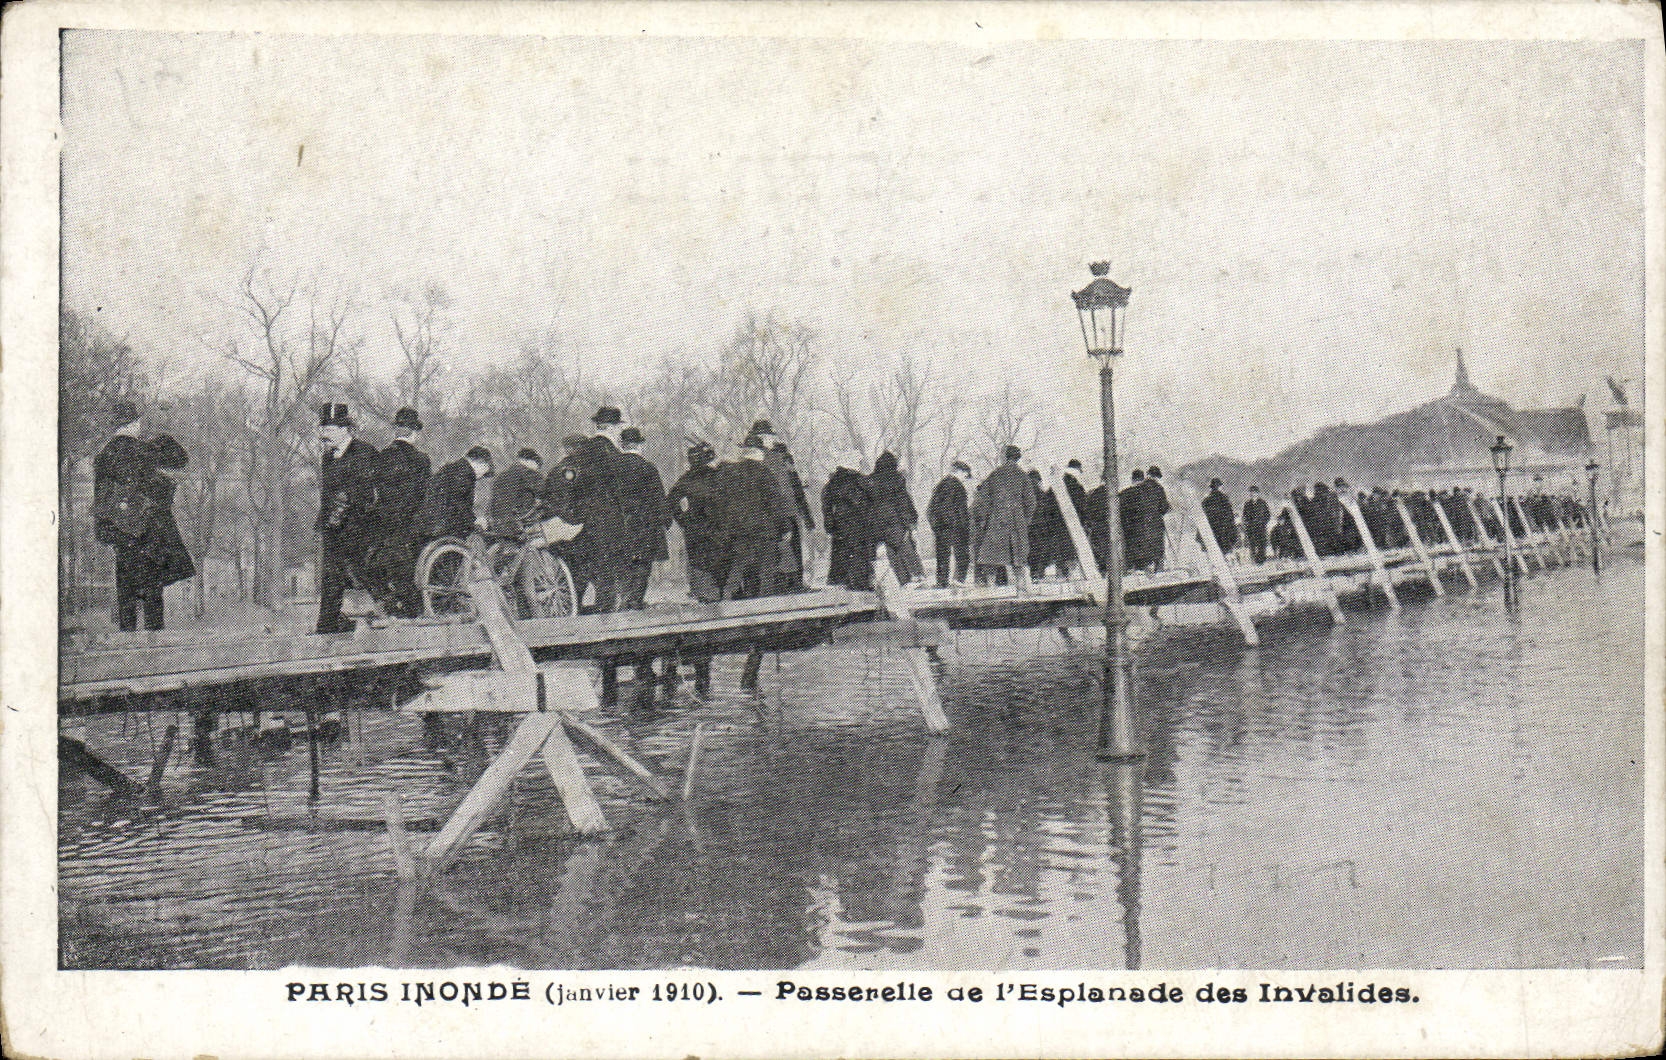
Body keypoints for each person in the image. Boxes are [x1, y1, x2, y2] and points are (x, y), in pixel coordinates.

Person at [93, 400, 194, 631]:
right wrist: (162, 434)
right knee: (152, 588)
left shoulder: (103, 455)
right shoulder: (145, 450)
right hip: (150, 531)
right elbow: (181, 458)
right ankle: (153, 639)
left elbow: (100, 501)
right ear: (134, 423)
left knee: (125, 586)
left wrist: (108, 532)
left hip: (121, 532)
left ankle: (127, 636)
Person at [314, 403, 381, 635]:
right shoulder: (328, 457)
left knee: (363, 574)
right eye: (322, 428)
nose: (323, 434)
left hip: (359, 527)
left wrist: (342, 515)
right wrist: (324, 522)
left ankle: (389, 614)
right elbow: (327, 495)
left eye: (329, 429)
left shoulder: (364, 452)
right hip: (334, 527)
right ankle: (327, 625)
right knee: (331, 576)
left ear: (345, 429)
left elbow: (365, 494)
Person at [714, 434, 794, 600]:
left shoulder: (730, 472)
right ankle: (766, 601)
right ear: (759, 453)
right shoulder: (764, 472)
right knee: (767, 566)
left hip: (739, 529)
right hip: (763, 528)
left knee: (739, 563)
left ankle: (727, 594)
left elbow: (721, 501)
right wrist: (785, 527)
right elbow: (775, 502)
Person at [372, 406, 430, 616]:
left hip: (384, 520)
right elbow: (424, 494)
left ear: (396, 430)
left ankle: (392, 603)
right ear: (415, 432)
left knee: (389, 560)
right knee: (412, 563)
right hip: (411, 521)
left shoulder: (381, 457)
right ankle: (415, 607)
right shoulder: (421, 459)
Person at [751, 420, 815, 592]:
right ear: (760, 437)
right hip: (778, 512)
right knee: (782, 551)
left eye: (772, 436)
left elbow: (795, 485)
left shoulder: (781, 455)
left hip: (787, 510)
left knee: (791, 550)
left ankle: (794, 584)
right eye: (768, 437)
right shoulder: (765, 458)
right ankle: (788, 585)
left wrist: (806, 515)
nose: (772, 440)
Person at [614, 426, 670, 611]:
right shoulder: (647, 468)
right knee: (642, 564)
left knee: (622, 563)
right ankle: (635, 600)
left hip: (619, 524)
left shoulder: (612, 468)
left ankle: (623, 599)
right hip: (645, 525)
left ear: (622, 445)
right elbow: (658, 497)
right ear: (639, 445)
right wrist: (665, 520)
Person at [970, 445, 1037, 587]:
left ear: (1004, 457)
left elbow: (982, 501)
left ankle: (990, 587)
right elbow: (1031, 502)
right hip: (1017, 521)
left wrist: (982, 521)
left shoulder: (995, 474)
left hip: (997, 520)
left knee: (992, 558)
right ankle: (1021, 588)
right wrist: (1024, 520)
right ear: (1018, 458)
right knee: (1018, 558)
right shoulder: (1023, 476)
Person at [866, 451, 925, 587]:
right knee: (905, 546)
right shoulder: (896, 479)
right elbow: (903, 502)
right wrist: (911, 521)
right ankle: (917, 576)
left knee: (891, 550)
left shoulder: (869, 481)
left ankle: (904, 580)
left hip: (876, 523)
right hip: (894, 521)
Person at [822, 449, 877, 591]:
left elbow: (826, 505)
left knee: (841, 552)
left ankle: (841, 581)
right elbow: (874, 497)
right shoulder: (860, 480)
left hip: (840, 522)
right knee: (859, 552)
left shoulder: (832, 482)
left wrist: (829, 524)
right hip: (859, 522)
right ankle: (860, 582)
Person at [423, 446, 492, 543]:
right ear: (481, 464)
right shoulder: (465, 474)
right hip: (447, 531)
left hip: (431, 526)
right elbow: (458, 503)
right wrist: (474, 521)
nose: (480, 477)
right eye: (484, 472)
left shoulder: (450, 468)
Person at [926, 461, 973, 587]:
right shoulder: (956, 486)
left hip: (941, 526)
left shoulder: (941, 484)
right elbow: (957, 509)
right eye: (965, 475)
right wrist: (958, 523)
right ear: (960, 472)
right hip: (955, 526)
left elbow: (931, 509)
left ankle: (942, 582)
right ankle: (958, 580)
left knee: (942, 555)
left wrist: (936, 525)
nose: (965, 479)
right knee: (962, 554)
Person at [488, 448, 545, 536]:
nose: (537, 469)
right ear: (530, 461)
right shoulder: (531, 474)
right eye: (537, 465)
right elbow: (544, 493)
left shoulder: (501, 476)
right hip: (519, 524)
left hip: (496, 523)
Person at [1027, 469, 1066, 580]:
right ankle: (1038, 573)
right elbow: (1047, 508)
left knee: (1032, 550)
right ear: (1038, 480)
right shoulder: (1040, 491)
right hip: (1041, 526)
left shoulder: (1026, 490)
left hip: (1029, 526)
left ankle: (1034, 573)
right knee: (1041, 550)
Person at [1138, 465, 1171, 572]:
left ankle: (1145, 570)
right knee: (1158, 547)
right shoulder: (1159, 488)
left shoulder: (1139, 487)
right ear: (1156, 476)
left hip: (1142, 522)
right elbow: (1163, 508)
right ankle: (1159, 570)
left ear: (1148, 474)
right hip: (1155, 523)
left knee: (1144, 546)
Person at [1119, 468, 1147, 572]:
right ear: (1143, 479)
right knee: (1142, 547)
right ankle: (1141, 569)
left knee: (1130, 547)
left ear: (1132, 479)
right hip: (1143, 526)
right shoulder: (1145, 493)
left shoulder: (1124, 493)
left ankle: (1130, 568)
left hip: (1128, 526)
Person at [1201, 477, 1238, 556]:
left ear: (1211, 488)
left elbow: (1203, 514)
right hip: (1223, 530)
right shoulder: (1224, 498)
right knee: (1224, 550)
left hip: (1211, 530)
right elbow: (1230, 515)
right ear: (1219, 487)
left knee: (1212, 552)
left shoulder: (1206, 499)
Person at [1242, 485, 1271, 564]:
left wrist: (1263, 522)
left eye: (1255, 493)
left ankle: (1261, 560)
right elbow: (1244, 516)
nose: (1253, 494)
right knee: (1252, 544)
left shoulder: (1262, 503)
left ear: (1258, 493)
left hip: (1260, 527)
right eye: (1251, 493)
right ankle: (1254, 559)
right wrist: (1247, 524)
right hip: (1251, 528)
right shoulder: (1247, 504)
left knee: (1261, 544)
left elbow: (1268, 515)